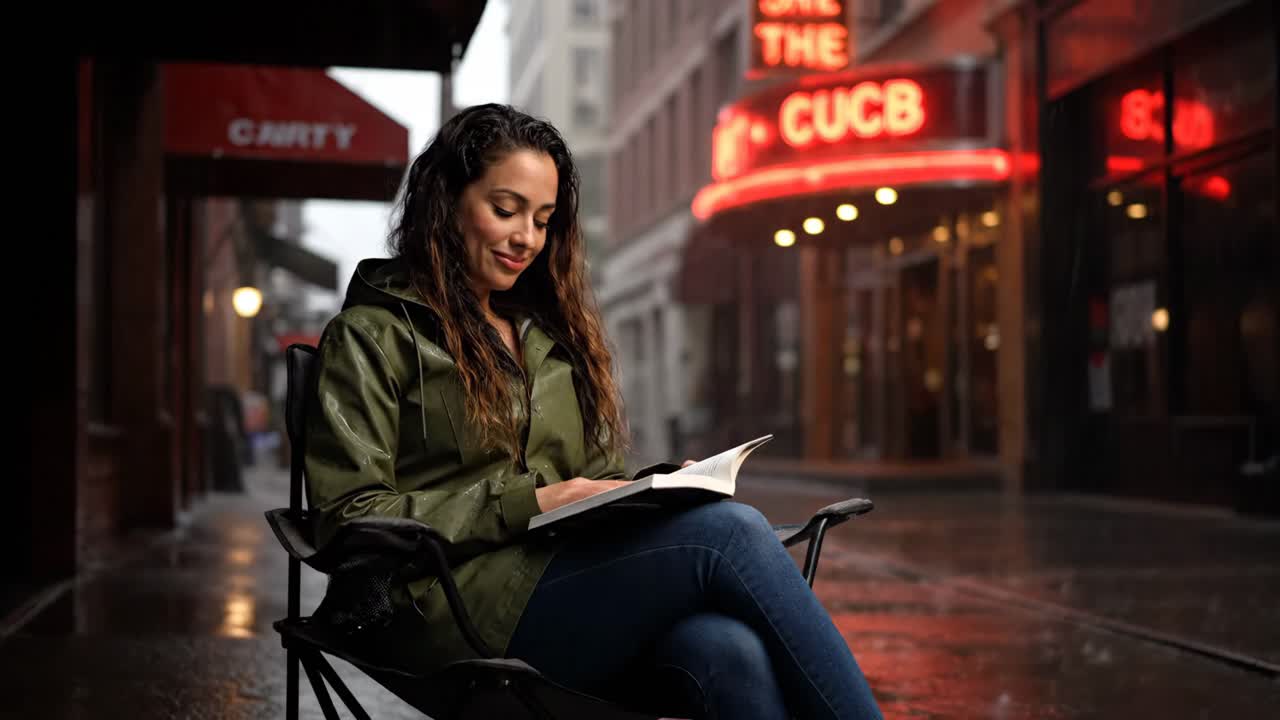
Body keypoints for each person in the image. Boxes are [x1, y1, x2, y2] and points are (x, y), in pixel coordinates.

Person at [303, 103, 883, 720]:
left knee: (726, 650)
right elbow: (349, 517)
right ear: (446, 201)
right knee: (730, 535)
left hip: (554, 585)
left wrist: (656, 491)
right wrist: (529, 502)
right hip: (438, 606)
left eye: (542, 219)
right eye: (506, 209)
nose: (527, 238)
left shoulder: (547, 341)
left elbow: (591, 484)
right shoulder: (372, 335)